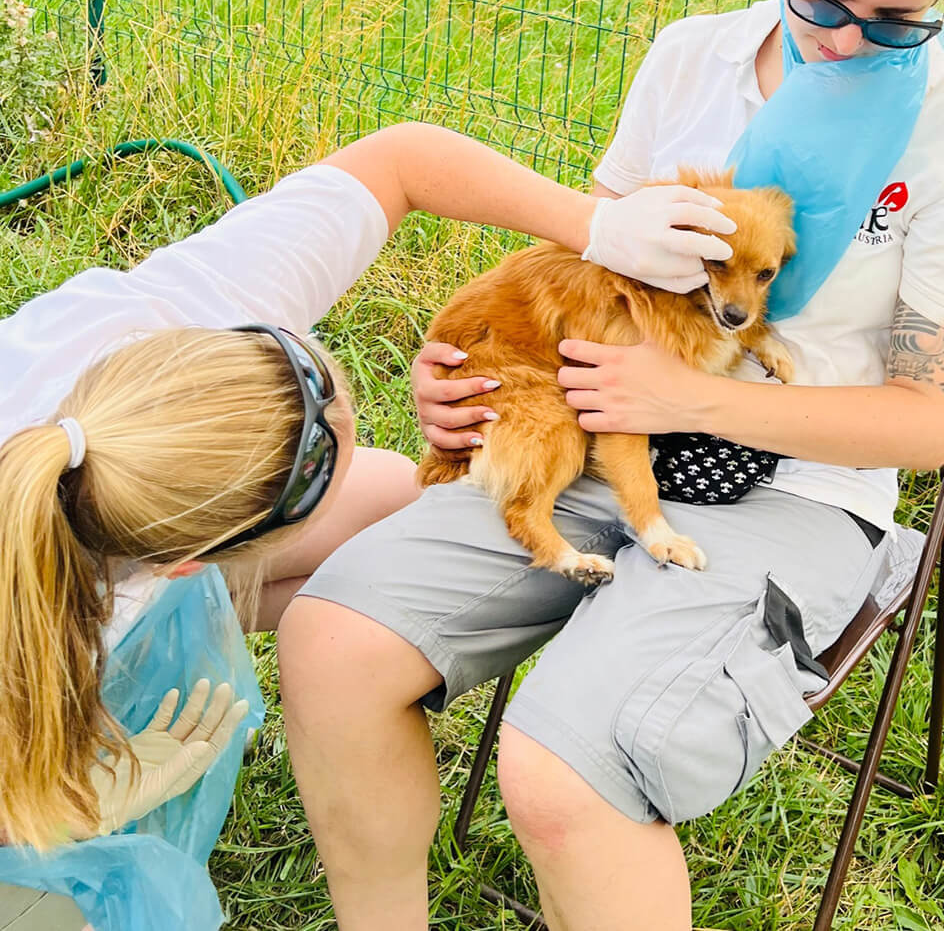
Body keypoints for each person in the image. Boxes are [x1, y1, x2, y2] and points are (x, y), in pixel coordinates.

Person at [277, 0, 944, 931]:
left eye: (892, 23)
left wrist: (688, 396)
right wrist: (475, 366)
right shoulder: (691, 59)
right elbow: (586, 268)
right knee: (330, 642)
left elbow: (928, 420)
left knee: (565, 769)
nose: (841, 43)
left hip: (798, 491)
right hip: (594, 430)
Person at [0, 120, 734, 859]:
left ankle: (137, 665)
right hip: (60, 631)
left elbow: (403, 160)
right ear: (184, 565)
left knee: (394, 501)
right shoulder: (35, 625)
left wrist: (598, 225)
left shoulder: (193, 299)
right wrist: (63, 813)